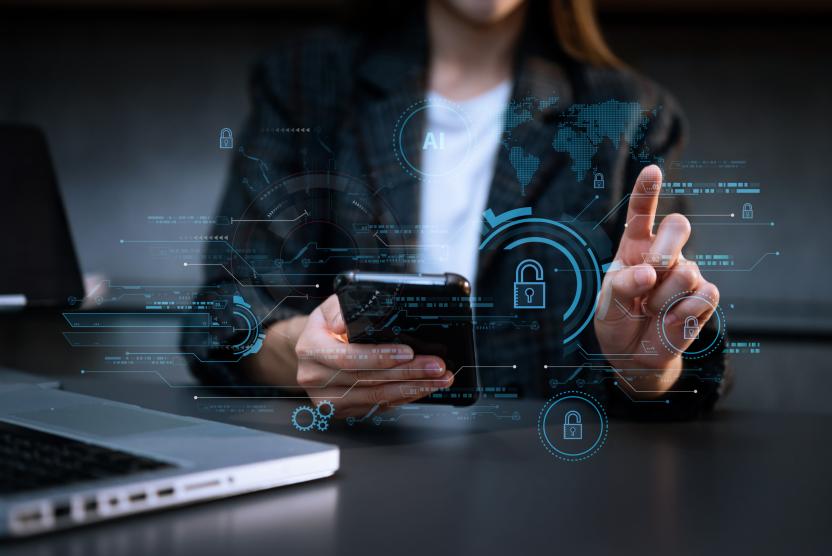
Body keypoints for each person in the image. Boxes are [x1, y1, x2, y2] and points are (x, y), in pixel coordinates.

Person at [190, 0, 728, 420]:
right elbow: (220, 320)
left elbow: (684, 363)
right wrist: (301, 352)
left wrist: (646, 367)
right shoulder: (307, 82)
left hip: (552, 492)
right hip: (354, 472)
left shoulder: (627, 114)